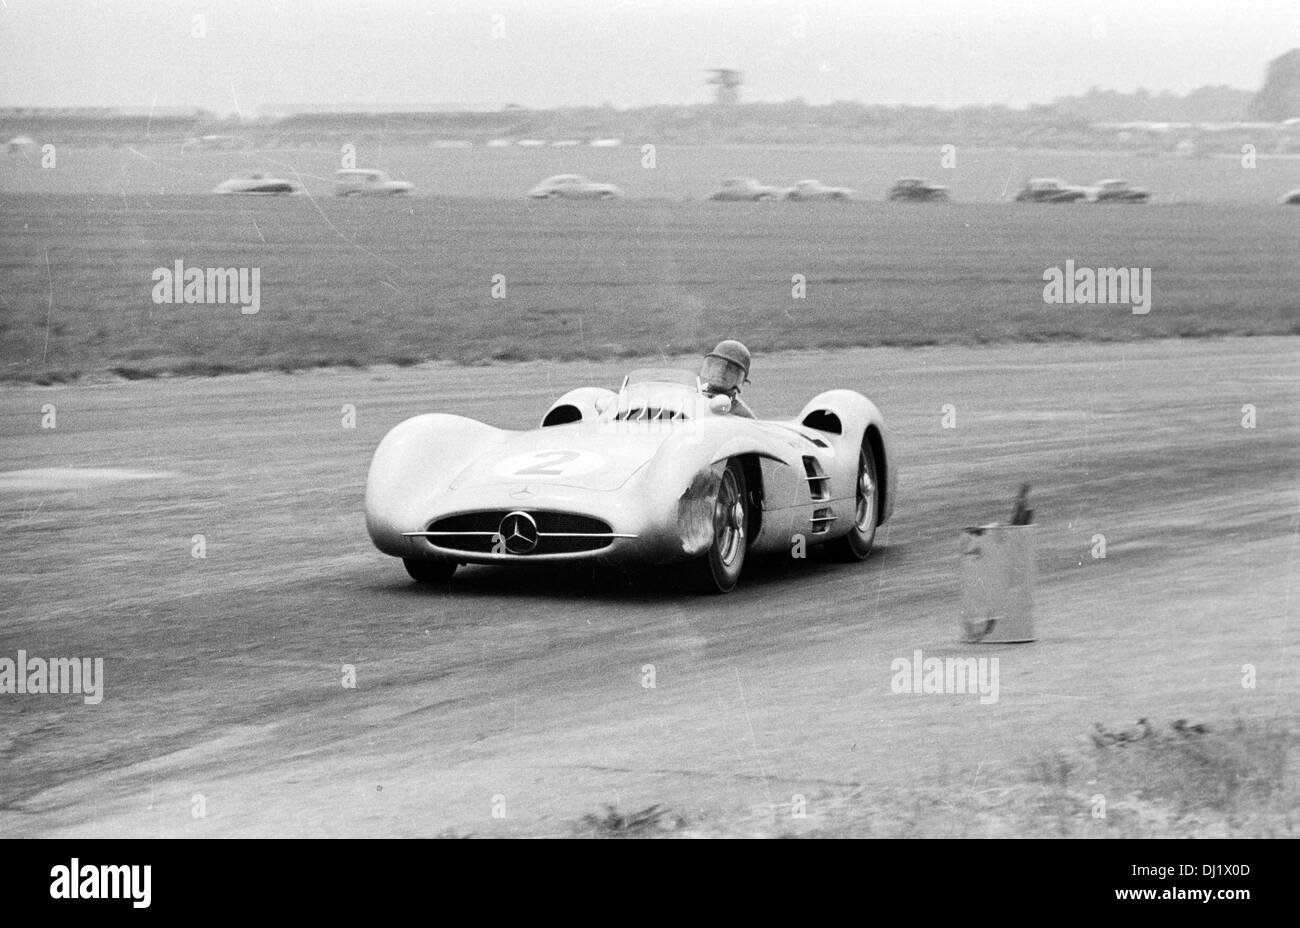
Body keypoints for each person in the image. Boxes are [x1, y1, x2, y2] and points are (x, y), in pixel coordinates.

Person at [699, 339, 755, 417]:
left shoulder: (742, 415)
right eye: (717, 364)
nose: (721, 371)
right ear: (710, 366)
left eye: (730, 368)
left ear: (739, 377)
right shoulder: (695, 393)